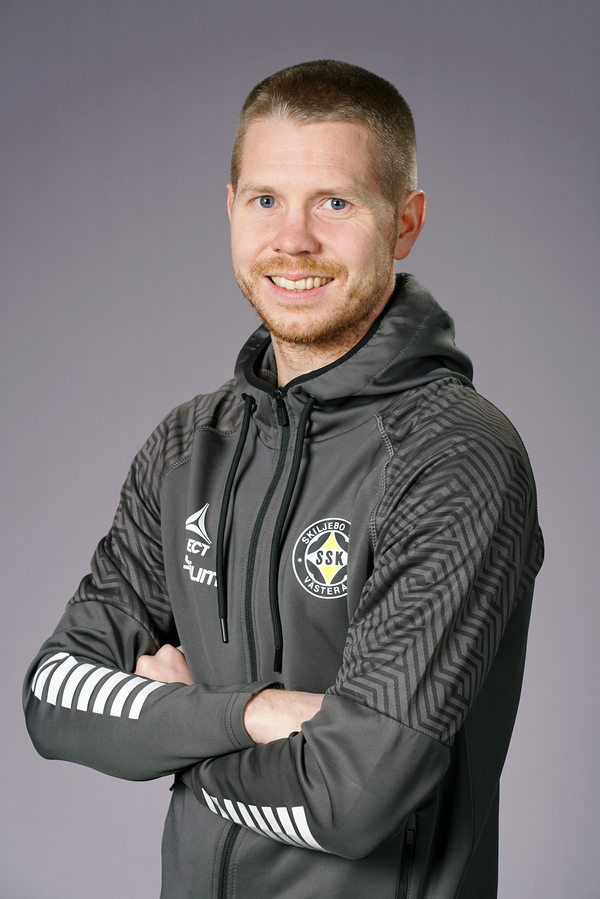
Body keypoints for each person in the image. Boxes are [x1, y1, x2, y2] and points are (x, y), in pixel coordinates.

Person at [24, 60, 544, 899]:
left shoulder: (455, 456)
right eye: (266, 199)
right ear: (231, 207)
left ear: (404, 223)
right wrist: (250, 714)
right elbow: (53, 697)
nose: (293, 240)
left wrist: (175, 733)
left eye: (335, 203)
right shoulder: (190, 445)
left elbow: (352, 798)